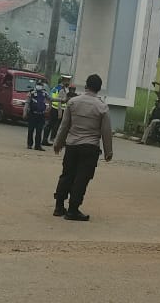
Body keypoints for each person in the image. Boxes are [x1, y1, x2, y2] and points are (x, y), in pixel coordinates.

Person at [52, 74, 113, 221]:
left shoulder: (73, 102)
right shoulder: (102, 107)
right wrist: (108, 151)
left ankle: (59, 206)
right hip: (90, 148)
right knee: (81, 178)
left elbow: (64, 126)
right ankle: (73, 210)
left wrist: (58, 143)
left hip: (72, 146)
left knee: (67, 175)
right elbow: (106, 131)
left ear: (86, 85)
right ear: (99, 88)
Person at [24, 82, 50, 151]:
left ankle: (37, 146)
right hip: (33, 114)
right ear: (36, 86)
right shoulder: (31, 93)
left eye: (40, 85)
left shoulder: (44, 93)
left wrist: (61, 100)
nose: (39, 87)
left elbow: (51, 99)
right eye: (38, 85)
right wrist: (25, 112)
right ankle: (29, 144)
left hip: (41, 115)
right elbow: (27, 103)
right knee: (30, 130)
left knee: (39, 131)